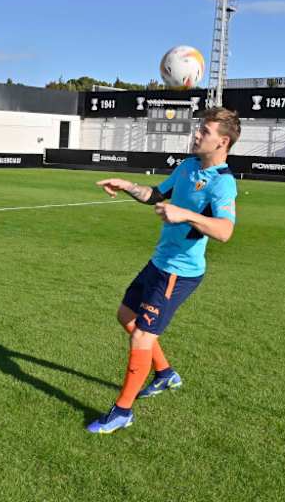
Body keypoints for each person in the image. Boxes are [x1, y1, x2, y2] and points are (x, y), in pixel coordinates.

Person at [89, 107, 240, 434]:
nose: (197, 134)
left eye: (205, 131)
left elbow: (225, 231)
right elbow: (156, 194)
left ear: (222, 141)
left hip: (180, 271)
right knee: (126, 316)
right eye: (200, 128)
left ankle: (122, 412)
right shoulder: (187, 166)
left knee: (143, 334)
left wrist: (185, 215)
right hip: (159, 262)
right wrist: (126, 184)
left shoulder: (223, 184)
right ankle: (165, 373)